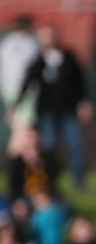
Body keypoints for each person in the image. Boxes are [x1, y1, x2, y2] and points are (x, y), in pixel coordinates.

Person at [12, 25, 92, 190]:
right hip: (46, 111)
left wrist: (83, 102)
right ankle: (49, 180)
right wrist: (16, 105)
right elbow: (27, 84)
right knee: (48, 147)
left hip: (68, 110)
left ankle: (79, 180)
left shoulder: (68, 57)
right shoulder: (38, 60)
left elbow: (79, 82)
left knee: (75, 145)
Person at [0, 15, 39, 157]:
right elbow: (34, 70)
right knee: (24, 127)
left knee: (19, 125)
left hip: (7, 90)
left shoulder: (5, 43)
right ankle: (20, 159)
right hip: (26, 90)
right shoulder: (30, 43)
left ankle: (20, 164)